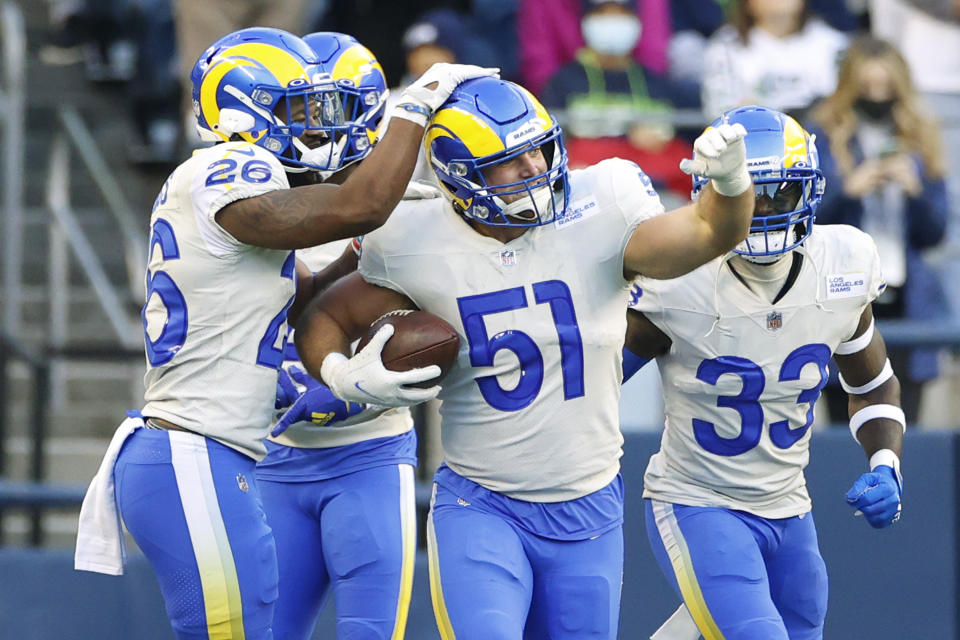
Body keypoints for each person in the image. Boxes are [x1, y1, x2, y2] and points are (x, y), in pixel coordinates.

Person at [290, 75, 753, 638]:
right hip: (482, 504)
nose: (536, 167)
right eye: (511, 161)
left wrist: (730, 186)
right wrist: (341, 373)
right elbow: (325, 315)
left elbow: (707, 232)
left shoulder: (600, 205)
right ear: (460, 174)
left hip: (589, 505)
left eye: (539, 148)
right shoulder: (410, 236)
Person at [73, 26, 495, 639]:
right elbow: (358, 204)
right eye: (298, 110)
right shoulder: (227, 168)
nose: (319, 126)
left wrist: (367, 254)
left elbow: (312, 300)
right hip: (194, 451)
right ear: (242, 108)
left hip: (212, 453)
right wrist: (413, 108)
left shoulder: (224, 187)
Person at [625, 106, 905, 640]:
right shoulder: (677, 279)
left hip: (789, 505)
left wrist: (887, 462)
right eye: (750, 193)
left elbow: (871, 385)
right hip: (697, 501)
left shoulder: (843, 263)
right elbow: (588, 378)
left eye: (780, 193)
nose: (765, 211)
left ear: (810, 192)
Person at [252, 31, 425, 640]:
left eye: (337, 107)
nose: (322, 126)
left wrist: (366, 383)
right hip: (271, 454)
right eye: (302, 109)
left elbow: (443, 334)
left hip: (371, 451)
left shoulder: (412, 200)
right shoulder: (238, 195)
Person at [807, 35, 948, 426]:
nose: (877, 95)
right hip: (844, 293)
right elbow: (805, 222)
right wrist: (849, 190)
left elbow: (936, 233)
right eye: (867, 86)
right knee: (846, 420)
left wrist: (914, 192)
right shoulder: (822, 134)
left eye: (885, 86)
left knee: (904, 422)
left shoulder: (917, 136)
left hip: (905, 296)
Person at [539, 0, 700, 201]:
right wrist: (627, 140)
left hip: (659, 195)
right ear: (586, 19)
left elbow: (685, 154)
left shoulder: (658, 85)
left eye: (621, 12)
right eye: (603, 13)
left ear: (636, 20)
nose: (612, 20)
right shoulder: (562, 84)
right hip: (587, 197)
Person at [700, 0, 848, 122]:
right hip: (756, 145)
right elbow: (722, 116)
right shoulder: (724, 48)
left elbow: (847, 105)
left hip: (823, 144)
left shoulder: (834, 44)